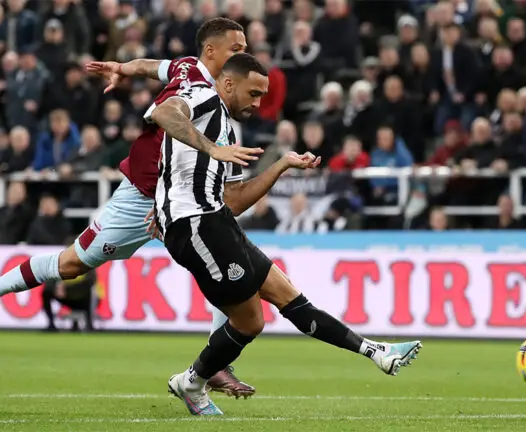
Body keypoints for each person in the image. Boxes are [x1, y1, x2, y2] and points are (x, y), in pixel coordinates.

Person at [0, 18, 263, 398]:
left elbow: (153, 66)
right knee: (72, 264)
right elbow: (168, 115)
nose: (243, 55)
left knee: (224, 260)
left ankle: (215, 366)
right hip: (141, 197)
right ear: (211, 51)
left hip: (181, 200)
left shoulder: (191, 74)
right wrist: (205, 157)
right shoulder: (193, 84)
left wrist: (125, 69)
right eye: (236, 49)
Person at [154, 53, 421, 416]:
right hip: (194, 224)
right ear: (229, 83)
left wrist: (281, 166)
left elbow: (232, 200)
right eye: (254, 93)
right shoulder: (203, 97)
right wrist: (211, 149)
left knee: (290, 297)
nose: (258, 103)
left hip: (217, 219)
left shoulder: (229, 128)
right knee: (251, 321)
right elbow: (164, 113)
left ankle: (376, 352)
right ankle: (192, 382)